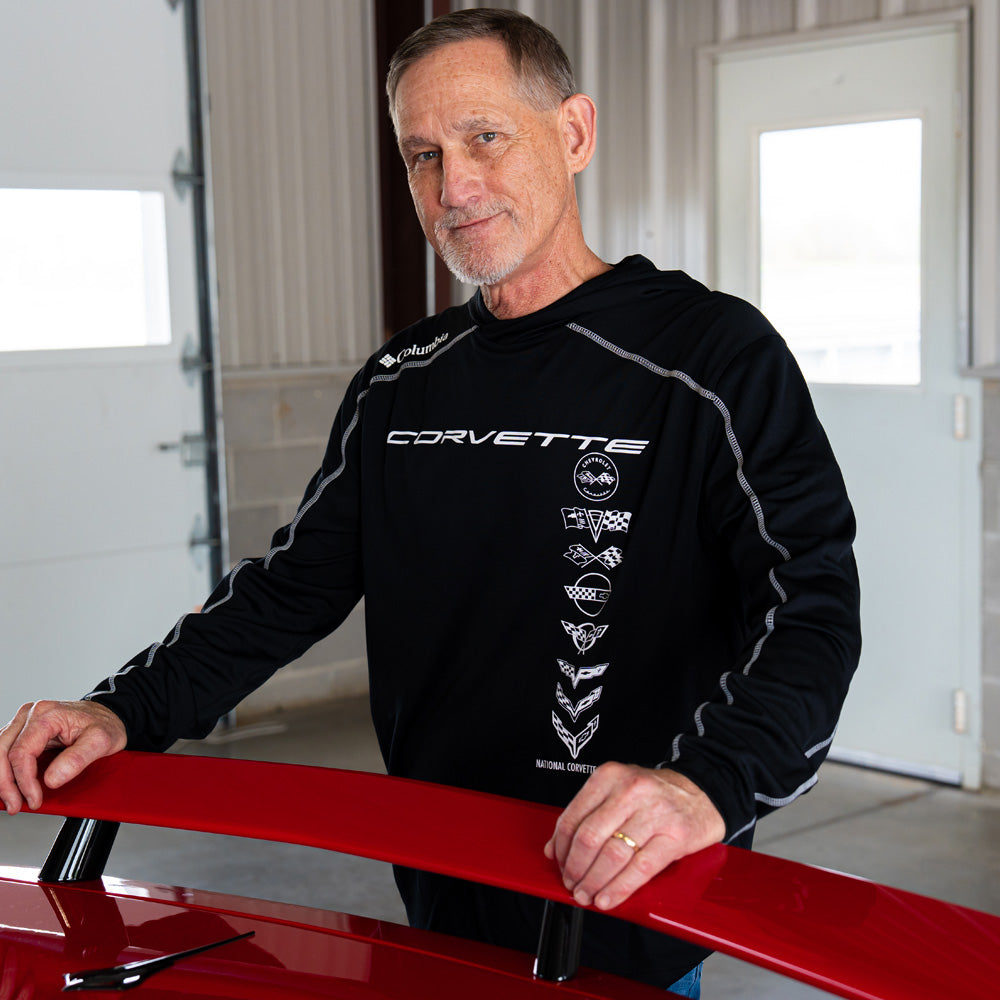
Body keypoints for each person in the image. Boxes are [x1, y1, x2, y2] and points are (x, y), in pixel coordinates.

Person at [0, 9, 860, 996]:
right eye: (421, 154)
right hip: (441, 892)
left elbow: (811, 609)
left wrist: (705, 783)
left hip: (625, 904)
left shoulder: (710, 358)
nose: (453, 188)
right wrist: (123, 709)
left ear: (572, 133)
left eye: (484, 137)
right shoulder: (401, 384)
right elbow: (290, 589)